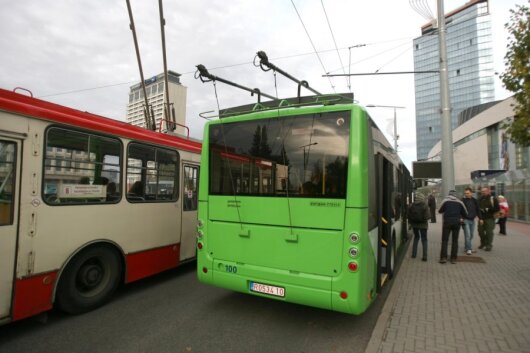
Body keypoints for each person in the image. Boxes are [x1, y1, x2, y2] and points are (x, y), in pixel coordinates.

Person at [438, 190, 468, 264]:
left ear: (449, 194)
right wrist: (460, 217)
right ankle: (453, 259)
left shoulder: (445, 201)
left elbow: (439, 211)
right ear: (455, 195)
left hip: (447, 223)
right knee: (455, 241)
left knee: (445, 240)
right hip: (456, 223)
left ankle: (443, 258)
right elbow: (466, 213)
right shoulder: (460, 202)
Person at [407, 192, 430, 261]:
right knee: (424, 240)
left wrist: (412, 222)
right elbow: (428, 216)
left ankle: (414, 254)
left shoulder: (411, 205)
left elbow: (408, 215)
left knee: (416, 238)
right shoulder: (425, 205)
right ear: (422, 198)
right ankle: (424, 256)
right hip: (423, 225)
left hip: (415, 225)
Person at [477, 186, 500, 251]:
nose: (483, 192)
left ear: (488, 191)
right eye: (482, 191)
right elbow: (477, 207)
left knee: (489, 232)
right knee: (480, 232)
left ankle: (488, 245)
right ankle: (483, 243)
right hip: (481, 218)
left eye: (484, 191)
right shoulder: (480, 198)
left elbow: (497, 208)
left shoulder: (493, 199)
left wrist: (488, 209)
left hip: (490, 218)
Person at [461, 187, 480, 255]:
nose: (466, 194)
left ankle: (467, 247)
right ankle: (469, 249)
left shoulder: (475, 200)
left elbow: (478, 210)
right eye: (465, 193)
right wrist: (461, 218)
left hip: (472, 220)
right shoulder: (462, 200)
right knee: (468, 235)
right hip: (465, 220)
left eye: (468, 193)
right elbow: (460, 210)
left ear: (471, 193)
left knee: (471, 235)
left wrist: (480, 218)